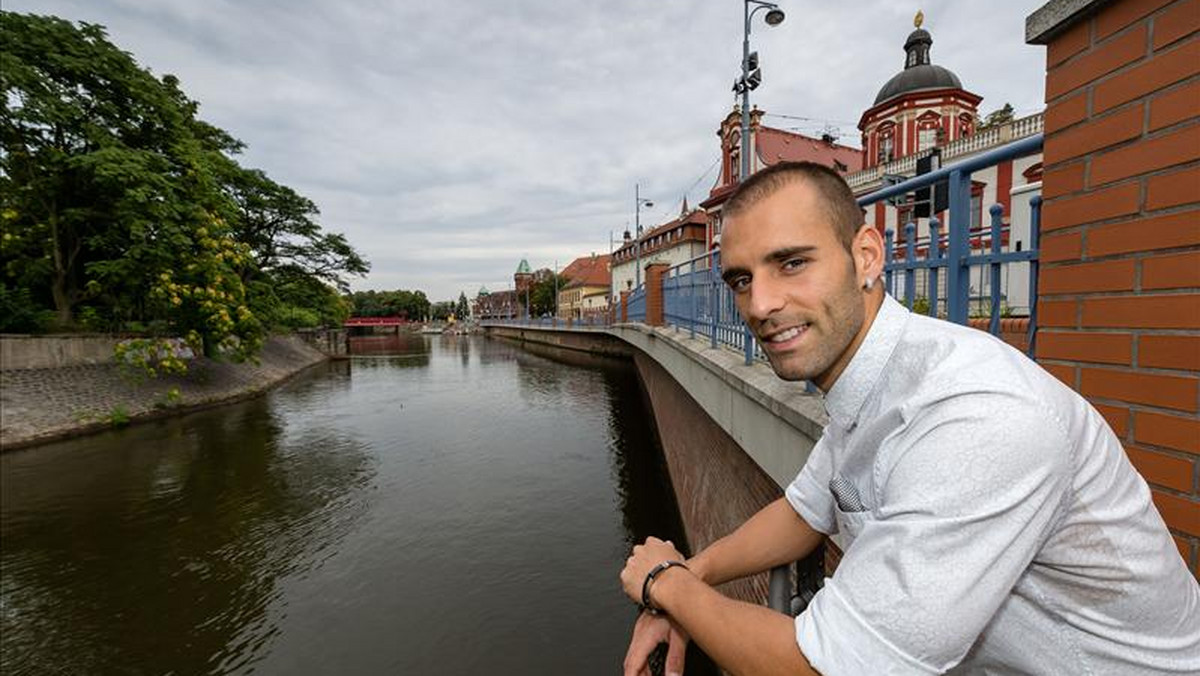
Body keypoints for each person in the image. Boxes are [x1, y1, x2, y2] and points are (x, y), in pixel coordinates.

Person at [619, 161, 1200, 675]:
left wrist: (664, 584)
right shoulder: (869, 380)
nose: (761, 304)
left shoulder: (975, 416)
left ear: (866, 256)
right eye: (741, 279)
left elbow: (825, 666)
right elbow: (805, 511)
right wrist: (694, 572)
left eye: (791, 263)